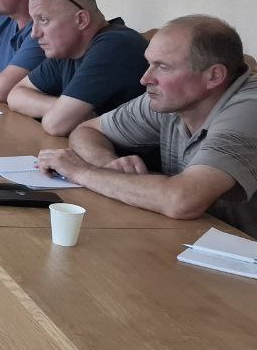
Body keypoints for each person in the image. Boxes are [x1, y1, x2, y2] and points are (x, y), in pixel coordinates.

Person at [37, 16, 257, 236]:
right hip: (197, 236)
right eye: (150, 64)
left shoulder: (248, 109)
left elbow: (182, 200)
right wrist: (107, 163)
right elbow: (87, 130)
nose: (145, 79)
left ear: (214, 76)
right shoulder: (175, 98)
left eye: (162, 67)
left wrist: (80, 172)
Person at [7, 0, 148, 136]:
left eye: (43, 20)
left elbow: (56, 124)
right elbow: (14, 95)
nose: (34, 33)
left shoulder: (114, 45)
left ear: (81, 20)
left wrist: (62, 113)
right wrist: (60, 108)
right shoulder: (67, 49)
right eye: (34, 21)